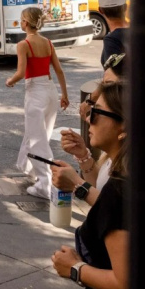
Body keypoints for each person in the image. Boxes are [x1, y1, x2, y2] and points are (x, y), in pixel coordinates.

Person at [50, 81, 128, 289]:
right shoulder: (120, 168)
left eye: (95, 112)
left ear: (124, 127)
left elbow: (124, 283)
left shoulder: (120, 190)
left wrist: (74, 268)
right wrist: (83, 155)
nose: (87, 118)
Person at [6, 6, 70, 199]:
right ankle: (31, 168)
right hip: (51, 91)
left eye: (21, 19)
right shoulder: (48, 43)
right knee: (42, 134)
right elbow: (59, 70)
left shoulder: (24, 44)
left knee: (37, 138)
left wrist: (10, 81)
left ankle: (44, 183)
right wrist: (64, 95)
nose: (20, 22)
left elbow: (20, 72)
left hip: (35, 92)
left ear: (26, 22)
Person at [56, 53, 128, 206]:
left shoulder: (131, 168)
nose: (88, 119)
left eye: (109, 85)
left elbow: (113, 211)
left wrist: (77, 185)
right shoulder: (116, 155)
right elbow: (100, 186)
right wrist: (83, 156)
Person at [97, 0, 129, 66]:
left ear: (100, 10)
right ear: (125, 7)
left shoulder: (112, 40)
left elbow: (113, 76)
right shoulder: (139, 32)